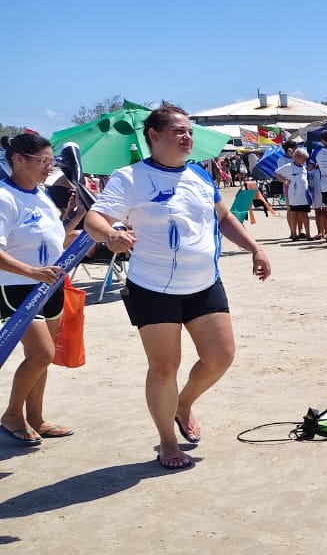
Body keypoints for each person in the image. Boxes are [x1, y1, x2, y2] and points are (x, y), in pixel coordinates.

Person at [85, 105, 271, 469]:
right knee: (163, 367)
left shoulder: (199, 174)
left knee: (220, 356)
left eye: (189, 131)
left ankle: (183, 404)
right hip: (152, 286)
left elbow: (223, 218)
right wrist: (110, 235)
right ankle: (167, 441)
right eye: (178, 131)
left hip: (203, 282)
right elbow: (96, 218)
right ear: (153, 136)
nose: (187, 137)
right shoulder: (130, 177)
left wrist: (255, 248)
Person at [0, 133, 75, 445]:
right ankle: (12, 415)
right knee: (41, 354)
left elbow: (56, 238)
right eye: (43, 161)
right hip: (18, 286)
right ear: (18, 160)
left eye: (51, 162)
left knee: (42, 357)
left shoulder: (42, 194)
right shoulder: (4, 197)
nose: (49, 168)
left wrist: (78, 217)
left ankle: (36, 417)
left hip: (50, 284)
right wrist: (32, 271)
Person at [274, 148, 312, 240]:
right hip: (294, 195)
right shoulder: (289, 166)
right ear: (297, 157)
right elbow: (276, 173)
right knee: (294, 214)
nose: (304, 161)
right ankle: (294, 234)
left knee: (305, 215)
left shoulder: (304, 167)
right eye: (303, 159)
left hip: (304, 195)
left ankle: (308, 234)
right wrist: (284, 181)